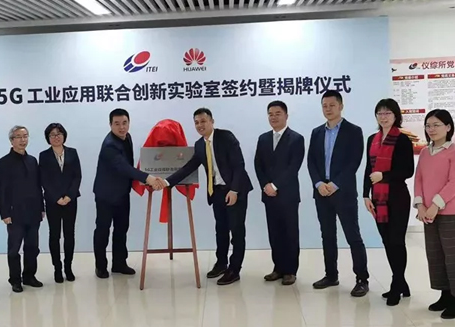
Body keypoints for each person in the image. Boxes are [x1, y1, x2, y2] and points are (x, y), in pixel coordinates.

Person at [165, 108, 253, 286]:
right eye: (196, 122)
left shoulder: (226, 137)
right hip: (217, 192)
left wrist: (234, 190)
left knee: (236, 231)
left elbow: (239, 165)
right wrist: (167, 182)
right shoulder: (199, 145)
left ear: (212, 121)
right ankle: (221, 263)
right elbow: (189, 167)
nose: (200, 125)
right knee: (221, 230)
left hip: (235, 190)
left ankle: (234, 269)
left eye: (203, 121)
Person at [307, 90, 369, 297]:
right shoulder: (316, 132)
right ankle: (331, 275)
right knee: (327, 235)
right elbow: (311, 161)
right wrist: (318, 183)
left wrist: (335, 184)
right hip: (321, 192)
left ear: (341, 106)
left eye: (332, 105)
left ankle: (362, 279)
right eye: (324, 105)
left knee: (353, 235)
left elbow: (354, 161)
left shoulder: (354, 131)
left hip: (343, 192)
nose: (328, 109)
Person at [414, 109, 455, 319]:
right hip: (428, 213)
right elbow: (419, 179)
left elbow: (454, 183)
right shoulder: (425, 152)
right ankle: (445, 296)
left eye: (436, 125)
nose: (431, 129)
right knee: (436, 255)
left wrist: (435, 205)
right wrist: (420, 205)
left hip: (450, 213)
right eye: (428, 125)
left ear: (448, 127)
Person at [93, 109, 161, 279]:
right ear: (110, 125)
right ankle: (100, 266)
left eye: (124, 123)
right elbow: (123, 167)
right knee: (103, 230)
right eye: (117, 124)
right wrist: (147, 178)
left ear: (129, 123)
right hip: (106, 195)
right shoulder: (109, 145)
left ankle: (119, 263)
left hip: (122, 193)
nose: (121, 127)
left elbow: (129, 165)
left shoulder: (127, 137)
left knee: (122, 229)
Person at [363, 99, 414, 306]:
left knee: (396, 241)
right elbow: (368, 169)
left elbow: (407, 170)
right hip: (378, 198)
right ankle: (402, 282)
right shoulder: (372, 139)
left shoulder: (402, 140)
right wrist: (365, 195)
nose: (383, 117)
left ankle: (396, 283)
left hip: (398, 197)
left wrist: (383, 176)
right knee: (387, 241)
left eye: (388, 113)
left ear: (396, 116)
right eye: (380, 113)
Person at [254, 101, 305, 285]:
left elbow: (294, 167)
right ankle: (278, 268)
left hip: (288, 194)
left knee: (290, 232)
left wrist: (275, 186)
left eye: (278, 113)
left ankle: (290, 270)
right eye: (270, 114)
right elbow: (258, 164)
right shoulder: (263, 138)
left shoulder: (296, 138)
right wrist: (265, 185)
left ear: (286, 116)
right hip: (268, 194)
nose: (273, 117)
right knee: (274, 233)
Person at [0, 126, 45, 293]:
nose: (22, 140)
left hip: (33, 211)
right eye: (18, 137)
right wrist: (4, 213)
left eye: (25, 136)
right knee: (14, 249)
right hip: (14, 213)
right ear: (11, 140)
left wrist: (42, 208)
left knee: (32, 247)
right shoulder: (3, 163)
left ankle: (29, 276)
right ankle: (15, 280)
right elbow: (1, 190)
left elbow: (38, 187)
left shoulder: (32, 161)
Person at [39, 123, 82, 284]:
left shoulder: (72, 152)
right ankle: (57, 268)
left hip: (71, 200)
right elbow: (44, 179)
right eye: (52, 135)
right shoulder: (44, 155)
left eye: (59, 134)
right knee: (54, 235)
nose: (56, 137)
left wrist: (69, 196)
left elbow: (77, 176)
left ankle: (68, 267)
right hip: (53, 201)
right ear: (48, 138)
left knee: (69, 234)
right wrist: (56, 197)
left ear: (64, 135)